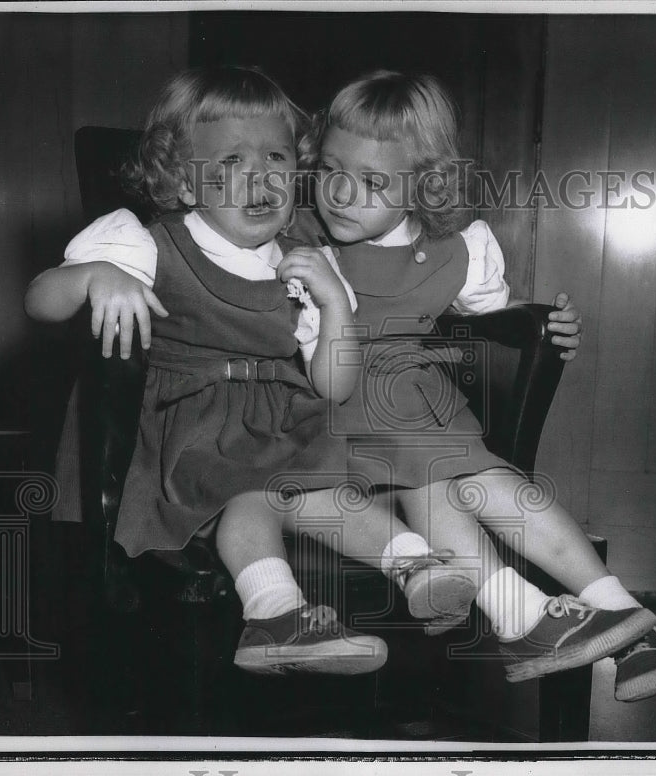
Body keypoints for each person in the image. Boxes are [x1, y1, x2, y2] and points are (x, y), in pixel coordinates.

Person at [25, 66, 478, 677]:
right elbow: (41, 300)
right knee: (251, 499)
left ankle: (416, 565)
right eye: (232, 160)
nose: (261, 176)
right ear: (185, 182)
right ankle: (277, 614)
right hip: (185, 428)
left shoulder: (306, 261)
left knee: (325, 492)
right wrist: (95, 277)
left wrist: (336, 304)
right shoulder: (145, 242)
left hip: (280, 419)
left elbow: (333, 384)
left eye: (277, 156)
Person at [296, 70, 656, 699]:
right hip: (329, 409)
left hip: (411, 400)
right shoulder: (299, 243)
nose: (341, 193)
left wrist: (545, 322)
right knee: (445, 485)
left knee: (479, 483)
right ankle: (564, 617)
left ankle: (616, 612)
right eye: (330, 169)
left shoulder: (459, 248)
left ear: (422, 186)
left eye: (372, 182)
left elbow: (488, 313)